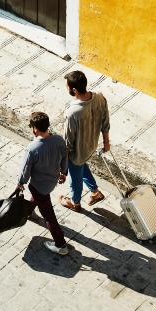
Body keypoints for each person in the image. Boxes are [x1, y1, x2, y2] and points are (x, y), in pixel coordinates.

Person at [16, 111, 70, 255]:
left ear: (35, 128)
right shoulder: (59, 140)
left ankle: (60, 244)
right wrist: (64, 172)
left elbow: (24, 170)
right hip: (52, 181)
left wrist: (20, 183)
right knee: (39, 198)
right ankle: (28, 211)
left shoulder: (32, 149)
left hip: (38, 185)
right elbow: (65, 156)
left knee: (49, 216)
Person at [60, 71, 109, 211]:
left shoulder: (72, 113)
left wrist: (63, 165)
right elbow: (105, 122)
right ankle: (95, 192)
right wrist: (106, 143)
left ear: (74, 90)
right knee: (81, 166)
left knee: (74, 177)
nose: (66, 88)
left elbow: (68, 142)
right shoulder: (100, 98)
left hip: (77, 152)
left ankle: (75, 203)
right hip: (91, 145)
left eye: (67, 86)